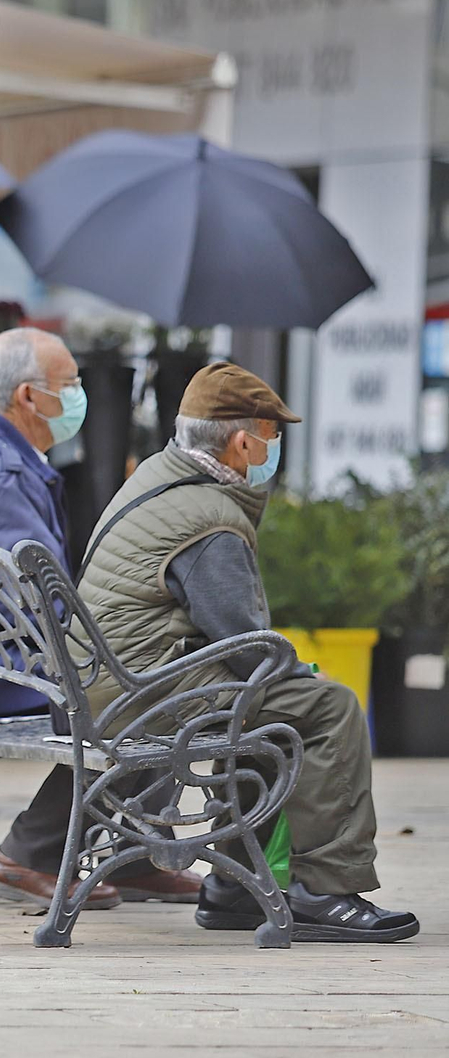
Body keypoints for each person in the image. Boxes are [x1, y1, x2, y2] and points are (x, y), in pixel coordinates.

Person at [77, 363, 418, 943]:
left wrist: (284, 677)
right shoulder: (209, 519)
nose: (274, 450)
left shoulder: (162, 478)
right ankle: (327, 892)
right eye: (272, 436)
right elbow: (244, 639)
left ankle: (234, 889)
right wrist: (300, 675)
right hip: (140, 692)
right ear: (242, 442)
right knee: (328, 707)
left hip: (110, 676)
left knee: (275, 701)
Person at [0, 328, 201, 910]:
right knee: (136, 690)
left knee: (138, 677)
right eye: (71, 384)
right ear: (29, 398)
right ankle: (30, 853)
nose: (80, 396)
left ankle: (141, 850)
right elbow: (43, 602)